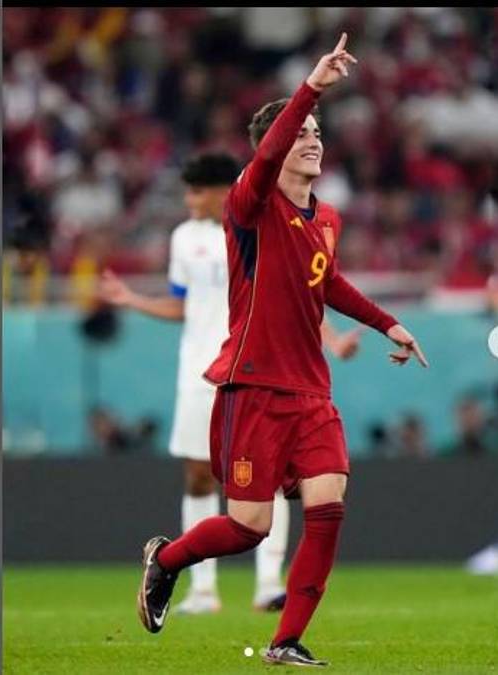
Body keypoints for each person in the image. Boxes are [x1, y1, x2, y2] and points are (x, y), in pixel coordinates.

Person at [137, 34, 428, 667]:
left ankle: (285, 640)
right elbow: (267, 154)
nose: (313, 140)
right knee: (250, 526)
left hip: (311, 391)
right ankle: (167, 560)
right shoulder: (250, 204)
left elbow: (329, 283)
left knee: (329, 505)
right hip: (254, 386)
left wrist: (388, 324)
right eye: (302, 132)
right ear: (278, 144)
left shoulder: (327, 219)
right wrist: (312, 88)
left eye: (318, 132)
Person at [100, 152, 361, 615]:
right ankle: (202, 590)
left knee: (274, 478)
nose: (189, 199)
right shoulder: (183, 238)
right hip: (199, 370)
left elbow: (296, 296)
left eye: (197, 190)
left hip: (259, 371)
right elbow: (181, 304)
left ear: (225, 190)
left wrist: (334, 340)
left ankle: (267, 585)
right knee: (197, 475)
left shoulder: (258, 223)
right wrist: (132, 299)